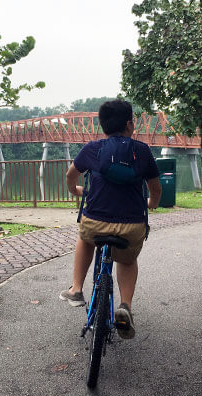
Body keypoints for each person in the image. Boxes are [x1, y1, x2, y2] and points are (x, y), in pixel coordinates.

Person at [60, 99, 161, 339]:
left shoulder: (92, 149)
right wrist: (151, 204)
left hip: (95, 223)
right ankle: (125, 306)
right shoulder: (143, 151)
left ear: (102, 125)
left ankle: (76, 289)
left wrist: (75, 190)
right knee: (126, 260)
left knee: (85, 239)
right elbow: (155, 189)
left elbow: (70, 175)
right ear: (130, 124)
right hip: (132, 226)